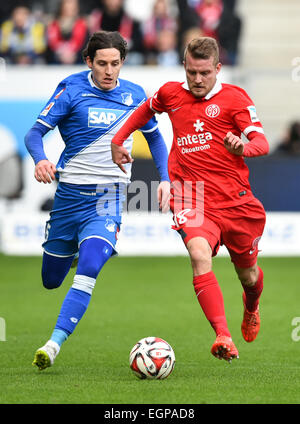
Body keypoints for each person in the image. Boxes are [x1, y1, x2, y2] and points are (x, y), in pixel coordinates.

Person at [111, 37, 269, 363]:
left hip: (235, 201)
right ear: (185, 65)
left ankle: (251, 306)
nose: (197, 80)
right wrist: (118, 138)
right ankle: (222, 335)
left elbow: (261, 142)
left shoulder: (235, 99)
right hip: (190, 194)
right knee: (199, 254)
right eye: (192, 72)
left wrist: (243, 148)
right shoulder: (171, 93)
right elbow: (144, 112)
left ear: (218, 69)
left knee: (249, 276)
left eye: (205, 73)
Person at [25, 30, 170, 370]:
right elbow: (35, 133)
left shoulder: (135, 95)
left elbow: (157, 140)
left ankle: (53, 344)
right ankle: (73, 248)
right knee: (51, 280)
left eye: (115, 64)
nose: (109, 71)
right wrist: (41, 159)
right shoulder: (71, 89)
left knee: (90, 268)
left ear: (123, 63)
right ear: (88, 61)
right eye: (102, 63)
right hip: (68, 197)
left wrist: (165, 180)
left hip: (109, 196)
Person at [46, 0, 88, 65]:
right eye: (68, 4)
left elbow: (84, 46)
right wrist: (60, 55)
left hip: (77, 62)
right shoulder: (52, 24)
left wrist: (74, 55)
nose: (70, 7)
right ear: (62, 6)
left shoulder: (82, 24)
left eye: (73, 5)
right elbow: (49, 46)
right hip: (55, 63)